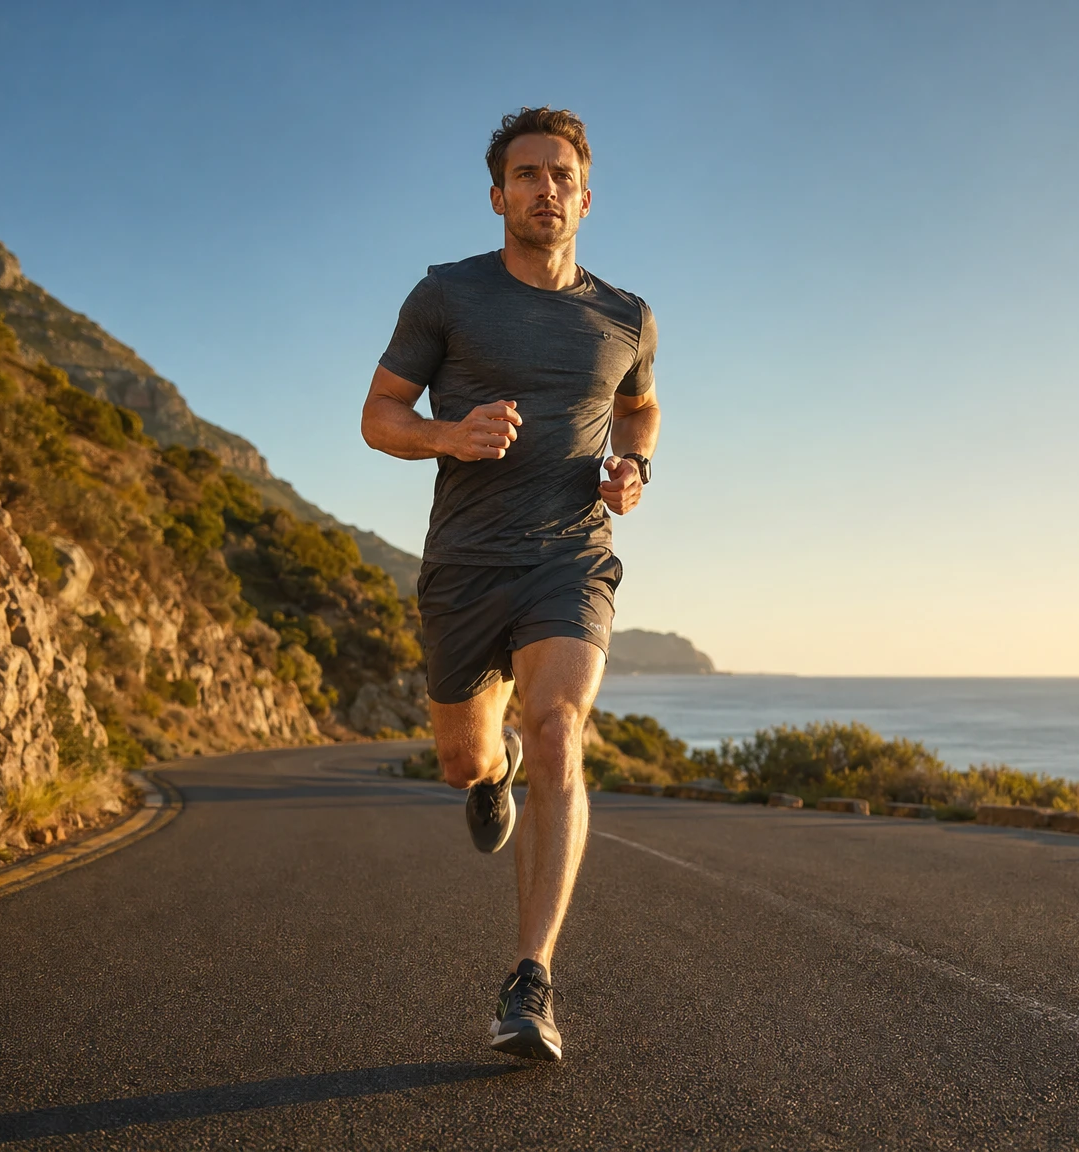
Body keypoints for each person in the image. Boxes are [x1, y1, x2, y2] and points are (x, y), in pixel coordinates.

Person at [359, 106, 658, 1062]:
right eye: (525, 175)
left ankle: (531, 979)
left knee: (560, 725)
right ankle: (492, 780)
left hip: (571, 553)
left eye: (559, 174)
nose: (544, 189)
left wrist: (633, 469)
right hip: (463, 563)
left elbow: (640, 409)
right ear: (499, 197)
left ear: (585, 193)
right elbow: (378, 415)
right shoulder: (446, 296)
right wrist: (449, 435)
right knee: (464, 759)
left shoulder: (627, 317)